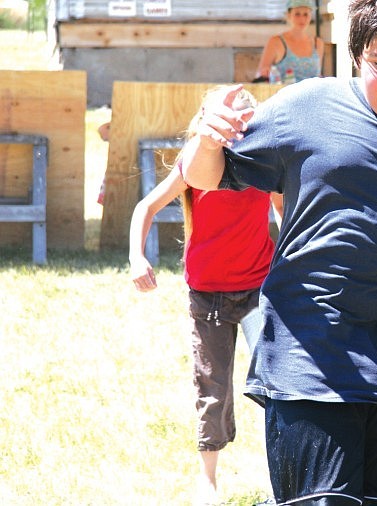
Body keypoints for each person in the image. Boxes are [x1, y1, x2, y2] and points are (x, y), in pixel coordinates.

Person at [181, 0, 377, 504]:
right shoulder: (304, 107)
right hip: (311, 367)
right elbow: (205, 177)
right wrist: (207, 136)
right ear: (355, 56)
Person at [128, 87, 281, 505]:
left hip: (257, 290)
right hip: (208, 294)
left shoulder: (263, 163)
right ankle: (208, 481)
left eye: (246, 125)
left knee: (276, 379)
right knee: (212, 388)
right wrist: (136, 257)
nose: (238, 133)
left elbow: (286, 215)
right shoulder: (195, 163)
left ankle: (280, 475)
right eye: (231, 124)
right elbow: (145, 207)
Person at [255, 0, 324, 83]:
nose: (302, 19)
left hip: (313, 95)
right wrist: (265, 73)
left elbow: (318, 75)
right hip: (285, 94)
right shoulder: (276, 42)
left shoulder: (318, 43)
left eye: (306, 14)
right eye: (297, 14)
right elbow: (259, 75)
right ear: (288, 15)